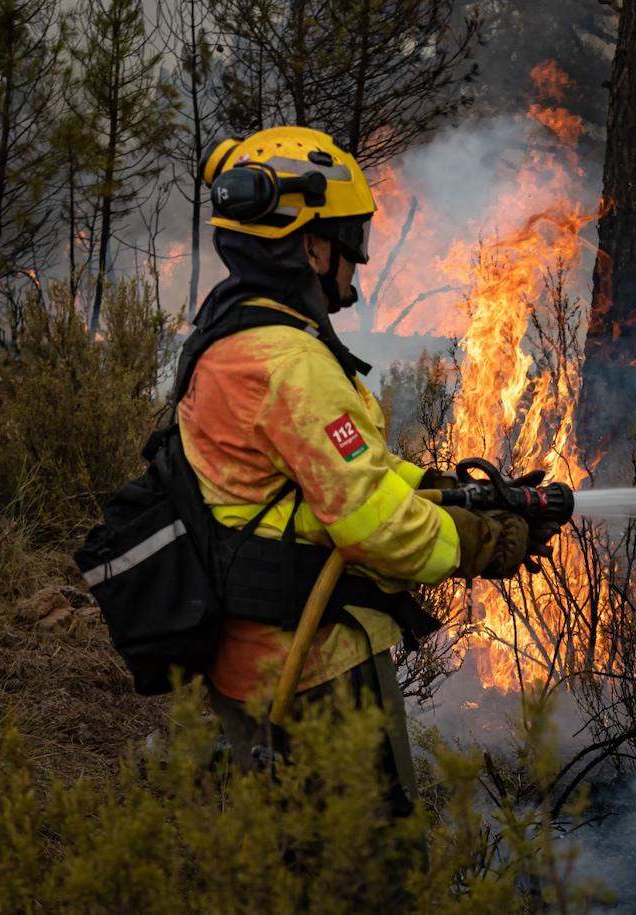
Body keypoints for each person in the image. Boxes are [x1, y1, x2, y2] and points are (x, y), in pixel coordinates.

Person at [177, 126, 544, 812]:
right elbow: (374, 529)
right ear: (311, 244)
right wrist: (479, 540)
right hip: (314, 669)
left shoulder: (231, 332)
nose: (358, 259)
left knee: (287, 862)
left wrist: (440, 488)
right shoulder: (293, 364)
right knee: (369, 868)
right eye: (349, 237)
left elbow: (313, 478)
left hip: (248, 653)